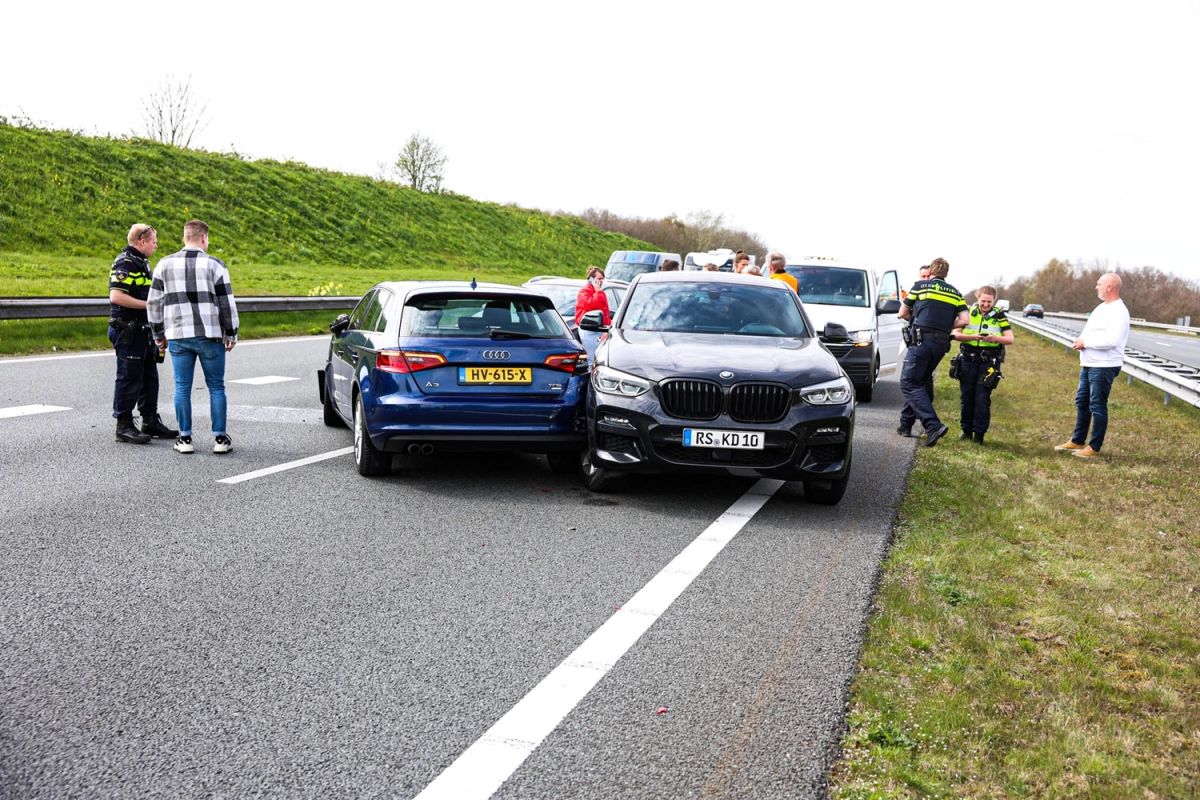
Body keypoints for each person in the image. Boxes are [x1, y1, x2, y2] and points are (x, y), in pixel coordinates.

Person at [146, 220, 240, 455]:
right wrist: (231, 333)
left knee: (182, 387)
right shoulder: (216, 265)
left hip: (178, 335)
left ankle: (185, 438)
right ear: (204, 238)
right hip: (210, 335)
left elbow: (154, 302)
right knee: (216, 387)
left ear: (184, 237)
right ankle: (220, 438)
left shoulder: (164, 264)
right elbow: (226, 303)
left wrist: (158, 333)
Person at [108, 224, 178, 444]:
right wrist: (151, 305)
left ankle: (149, 420)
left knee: (149, 378)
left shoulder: (142, 262)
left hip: (143, 330)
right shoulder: (125, 263)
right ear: (142, 241)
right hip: (128, 329)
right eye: (154, 242)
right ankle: (124, 425)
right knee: (129, 378)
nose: (156, 246)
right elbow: (117, 297)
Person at [1055, 272, 1130, 458]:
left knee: (1097, 405)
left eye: (1099, 284)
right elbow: (1089, 332)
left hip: (1104, 365)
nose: (1096, 287)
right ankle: (1078, 440)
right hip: (1089, 363)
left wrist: (1086, 344)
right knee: (1082, 402)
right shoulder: (1101, 308)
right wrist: (1080, 339)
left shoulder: (1118, 311)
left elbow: (1112, 340)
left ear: (1109, 287)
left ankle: (1094, 447)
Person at [897, 257, 969, 446]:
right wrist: (945, 325)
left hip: (921, 341)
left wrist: (919, 319)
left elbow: (902, 313)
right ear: (946, 273)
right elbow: (965, 320)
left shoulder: (921, 287)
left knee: (909, 383)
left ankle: (933, 425)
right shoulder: (956, 293)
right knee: (922, 381)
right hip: (941, 344)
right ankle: (906, 424)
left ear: (933, 271)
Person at [951, 285, 1013, 444]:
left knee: (982, 397)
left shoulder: (999, 315)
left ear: (994, 301)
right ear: (977, 298)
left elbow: (1010, 339)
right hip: (968, 359)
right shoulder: (968, 313)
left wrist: (995, 339)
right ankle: (966, 431)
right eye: (983, 301)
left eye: (989, 302)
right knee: (967, 396)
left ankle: (979, 435)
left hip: (989, 361)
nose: (986, 305)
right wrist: (972, 337)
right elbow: (955, 334)